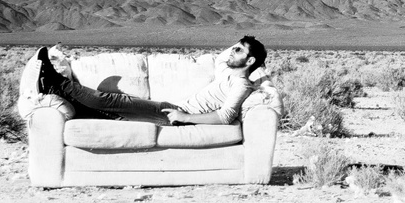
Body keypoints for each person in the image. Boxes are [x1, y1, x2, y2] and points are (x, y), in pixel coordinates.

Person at [34, 36, 268, 127]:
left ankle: (56, 83)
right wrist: (244, 43)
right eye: (234, 47)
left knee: (111, 100)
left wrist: (185, 117)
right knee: (114, 111)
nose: (231, 52)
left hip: (176, 116)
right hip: (172, 109)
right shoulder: (226, 72)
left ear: (250, 61)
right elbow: (222, 57)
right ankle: (59, 90)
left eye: (238, 50)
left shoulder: (240, 85)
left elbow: (226, 116)